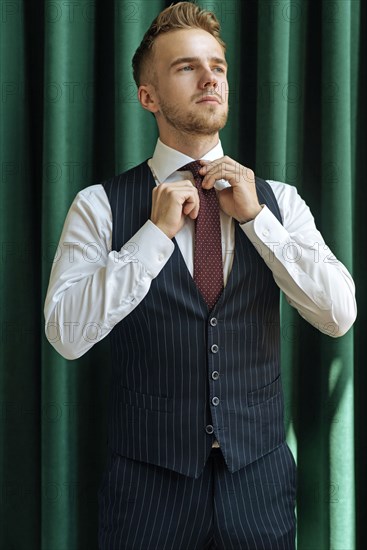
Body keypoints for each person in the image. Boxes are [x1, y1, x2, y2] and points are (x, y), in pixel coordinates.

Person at [44, 2, 357, 548]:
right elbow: (65, 336)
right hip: (145, 490)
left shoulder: (279, 202)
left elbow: (339, 314)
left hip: (258, 485)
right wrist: (151, 237)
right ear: (148, 96)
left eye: (218, 65)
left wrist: (259, 222)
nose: (210, 76)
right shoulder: (99, 206)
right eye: (186, 67)